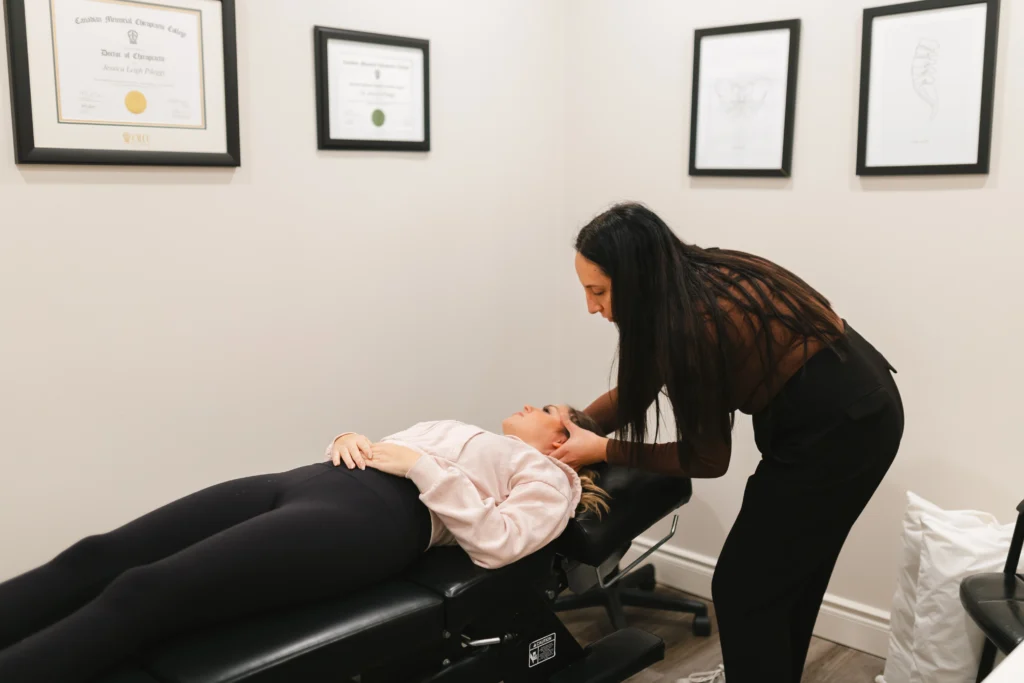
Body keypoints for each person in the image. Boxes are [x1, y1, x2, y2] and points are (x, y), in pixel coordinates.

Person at [551, 202, 904, 683]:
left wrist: (602, 449)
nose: (592, 307)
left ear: (635, 278)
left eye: (599, 291)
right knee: (787, 576)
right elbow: (639, 388)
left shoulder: (692, 324)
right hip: (857, 395)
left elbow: (707, 458)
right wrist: (582, 422)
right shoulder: (685, 278)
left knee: (743, 585)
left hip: (844, 425)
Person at [0, 404, 609, 683]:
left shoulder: (549, 478)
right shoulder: (467, 426)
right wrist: (351, 435)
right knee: (94, 556)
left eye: (549, 409)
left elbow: (498, 544)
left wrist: (423, 470)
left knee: (145, 591)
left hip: (377, 520)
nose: (531, 405)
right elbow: (394, 449)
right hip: (307, 481)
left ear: (563, 439)